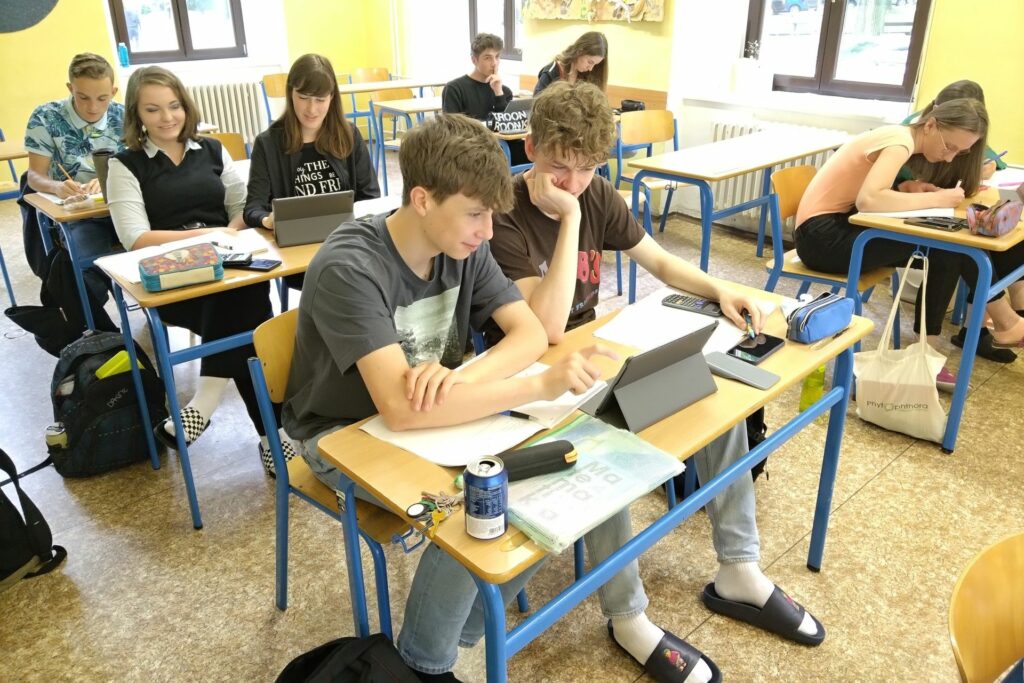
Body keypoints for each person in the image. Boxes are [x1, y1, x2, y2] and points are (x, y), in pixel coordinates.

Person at [284, 113, 726, 683]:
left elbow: (532, 334)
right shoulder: (351, 265)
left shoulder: (461, 243)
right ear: (422, 199)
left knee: (569, 455)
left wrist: (462, 384)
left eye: (491, 214)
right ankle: (427, 663)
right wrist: (533, 387)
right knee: (480, 496)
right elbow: (399, 408)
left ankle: (498, 631)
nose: (488, 231)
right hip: (342, 435)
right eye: (475, 214)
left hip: (434, 417)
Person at [488, 82, 826, 683]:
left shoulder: (596, 193)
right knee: (597, 451)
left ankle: (739, 569)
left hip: (591, 358)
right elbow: (545, 329)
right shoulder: (503, 213)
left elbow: (660, 262)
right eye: (560, 167)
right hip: (530, 385)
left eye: (588, 169)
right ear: (530, 147)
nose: (573, 183)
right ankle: (628, 618)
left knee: (707, 393)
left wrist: (721, 289)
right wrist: (570, 221)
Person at [105, 66, 289, 477]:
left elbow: (241, 209)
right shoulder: (125, 165)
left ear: (186, 106)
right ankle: (273, 439)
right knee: (249, 318)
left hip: (227, 270)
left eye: (174, 106)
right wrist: (208, 236)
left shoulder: (212, 150)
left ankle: (204, 407)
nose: (167, 117)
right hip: (175, 285)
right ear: (136, 114)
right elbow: (135, 237)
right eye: (153, 109)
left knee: (243, 298)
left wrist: (228, 236)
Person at [794, 97, 1024, 389]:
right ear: (930, 125)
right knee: (950, 249)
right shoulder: (899, 141)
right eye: (949, 146)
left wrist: (907, 188)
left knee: (949, 250)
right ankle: (991, 328)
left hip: (840, 225)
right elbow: (869, 200)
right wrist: (938, 199)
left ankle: (930, 351)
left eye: (960, 152)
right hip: (821, 238)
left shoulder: (900, 139)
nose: (950, 158)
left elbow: (864, 189)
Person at [896, 80, 1024, 362]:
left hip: (937, 213)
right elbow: (887, 190)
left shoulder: (962, 138)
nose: (953, 154)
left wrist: (982, 169)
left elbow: (991, 163)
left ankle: (991, 323)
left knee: (1004, 242)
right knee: (955, 250)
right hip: (903, 221)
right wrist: (915, 188)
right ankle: (997, 322)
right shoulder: (909, 135)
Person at [24, 52, 125, 313]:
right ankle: (96, 326)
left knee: (159, 247)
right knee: (85, 261)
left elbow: (140, 168)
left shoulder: (124, 116)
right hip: (79, 214)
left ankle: (160, 313)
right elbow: (34, 176)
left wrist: (109, 181)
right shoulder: (46, 117)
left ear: (113, 92)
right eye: (83, 97)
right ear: (70, 89)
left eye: (102, 98)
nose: (93, 107)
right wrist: (56, 186)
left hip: (123, 207)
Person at [244, 53, 379, 231]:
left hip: (345, 235)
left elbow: (371, 196)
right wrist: (267, 220)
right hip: (294, 238)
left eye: (320, 100)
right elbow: (253, 208)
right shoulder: (267, 144)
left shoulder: (349, 135)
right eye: (303, 98)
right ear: (290, 93)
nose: (312, 109)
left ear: (331, 97)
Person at [441, 33, 513, 122]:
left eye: (497, 57)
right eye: (488, 58)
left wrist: (498, 93)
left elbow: (507, 125)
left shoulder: (504, 92)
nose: (494, 63)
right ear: (474, 60)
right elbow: (451, 126)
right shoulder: (454, 89)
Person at [533, 31, 608, 95]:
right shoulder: (552, 72)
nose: (590, 68)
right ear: (580, 51)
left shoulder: (588, 75)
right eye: (590, 62)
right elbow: (536, 103)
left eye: (595, 64)